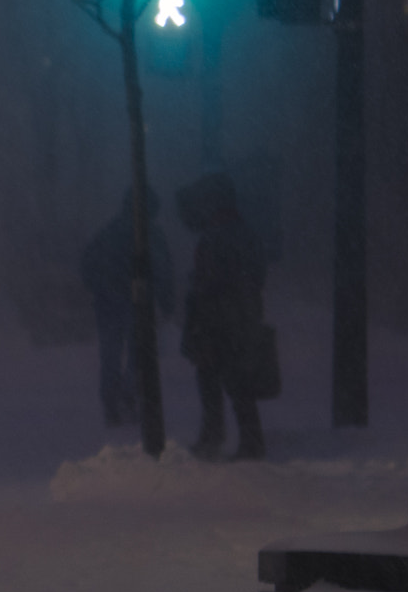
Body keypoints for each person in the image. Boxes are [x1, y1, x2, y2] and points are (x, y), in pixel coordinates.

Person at [176, 172, 268, 460]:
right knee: (232, 380)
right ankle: (241, 438)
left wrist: (205, 299)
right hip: (237, 318)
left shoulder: (218, 236)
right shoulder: (243, 232)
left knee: (220, 379)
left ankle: (225, 437)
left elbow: (211, 280)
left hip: (220, 320)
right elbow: (253, 276)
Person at [79, 188, 175, 427]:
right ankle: (129, 396)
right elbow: (163, 269)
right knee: (137, 354)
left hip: (108, 303)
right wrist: (166, 300)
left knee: (110, 355)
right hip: (137, 303)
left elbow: (88, 263)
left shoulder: (109, 232)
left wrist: (99, 287)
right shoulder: (151, 234)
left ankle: (111, 403)